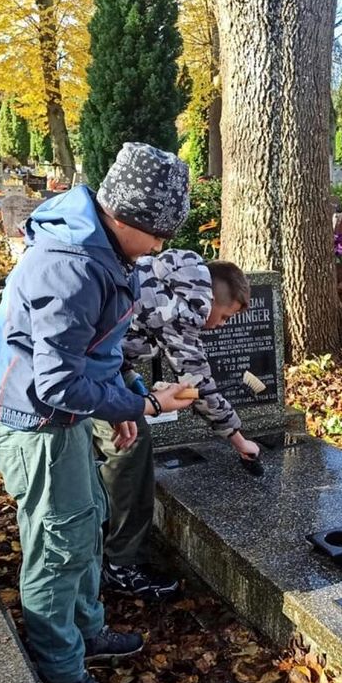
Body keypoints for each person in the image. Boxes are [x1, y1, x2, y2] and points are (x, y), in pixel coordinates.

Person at [0, 142, 198, 683]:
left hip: (61, 420)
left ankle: (85, 630)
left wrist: (120, 404)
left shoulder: (100, 251)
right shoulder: (71, 265)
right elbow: (55, 382)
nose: (161, 248)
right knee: (58, 542)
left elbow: (94, 349)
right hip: (35, 423)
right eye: (159, 235)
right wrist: (143, 405)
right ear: (127, 219)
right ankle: (61, 671)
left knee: (85, 520)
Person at [94, 251, 259, 599]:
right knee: (131, 452)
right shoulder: (186, 306)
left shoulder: (167, 281)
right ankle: (122, 565)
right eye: (226, 316)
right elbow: (196, 382)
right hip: (86, 378)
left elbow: (119, 341)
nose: (221, 325)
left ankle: (103, 540)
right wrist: (239, 439)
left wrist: (130, 381)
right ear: (211, 298)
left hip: (97, 371)